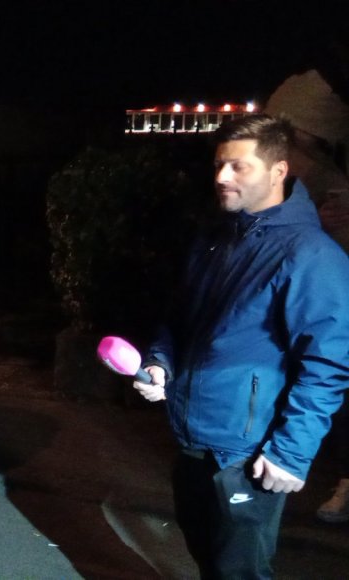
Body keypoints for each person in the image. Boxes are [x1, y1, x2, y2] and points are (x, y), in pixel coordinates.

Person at [133, 114, 349, 578]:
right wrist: (160, 362)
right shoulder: (215, 238)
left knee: (240, 572)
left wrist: (291, 452)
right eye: (218, 165)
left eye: (238, 166)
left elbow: (327, 365)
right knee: (209, 562)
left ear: (278, 171)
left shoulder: (311, 255)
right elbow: (180, 320)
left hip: (247, 454)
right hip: (193, 440)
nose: (221, 177)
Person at [266, 66, 349, 523]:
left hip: (328, 290)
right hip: (305, 289)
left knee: (326, 376)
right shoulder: (293, 169)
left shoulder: (322, 170)